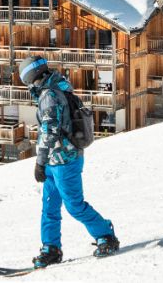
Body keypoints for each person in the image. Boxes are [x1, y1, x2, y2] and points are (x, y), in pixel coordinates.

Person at [18, 55, 119, 268]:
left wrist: (40, 162)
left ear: (30, 77)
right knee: (49, 207)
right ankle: (51, 248)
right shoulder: (56, 88)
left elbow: (50, 131)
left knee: (74, 205)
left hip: (66, 160)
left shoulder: (50, 96)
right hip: (56, 160)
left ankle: (105, 234)